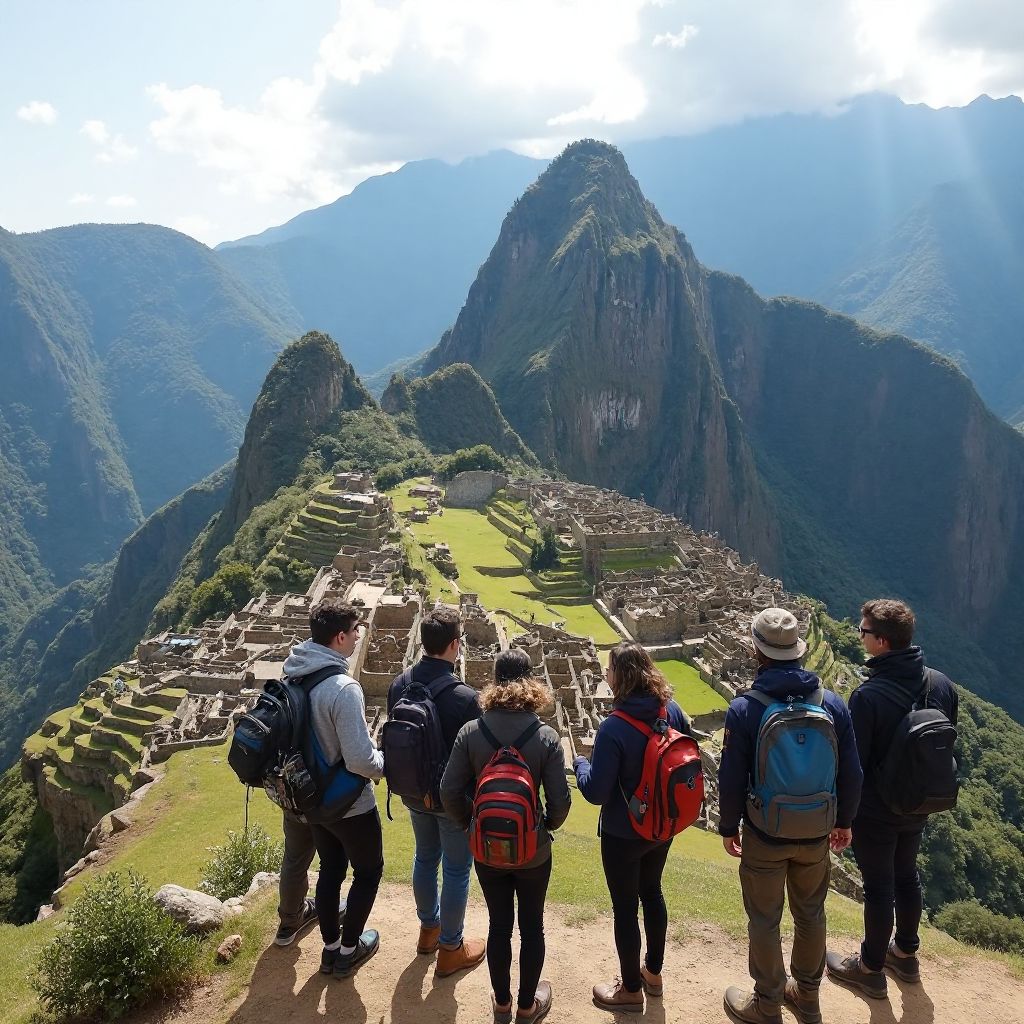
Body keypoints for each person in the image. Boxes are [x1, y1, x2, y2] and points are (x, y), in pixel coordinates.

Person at [720, 608, 863, 1024]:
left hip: (766, 831)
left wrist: (729, 826)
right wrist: (844, 821)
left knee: (765, 919)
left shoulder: (746, 709)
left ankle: (767, 1004)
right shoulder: (831, 703)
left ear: (756, 651)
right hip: (817, 830)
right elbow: (851, 772)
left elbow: (731, 778)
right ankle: (808, 995)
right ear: (800, 651)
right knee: (811, 912)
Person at [826, 599, 959, 999]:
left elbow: (854, 766)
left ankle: (868, 968)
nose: (859, 635)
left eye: (863, 631)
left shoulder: (867, 697)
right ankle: (905, 953)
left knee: (880, 886)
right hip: (921, 803)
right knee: (907, 874)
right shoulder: (940, 684)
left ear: (881, 642)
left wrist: (842, 819)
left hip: (877, 810)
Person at [440, 649, 571, 1024]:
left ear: (494, 682)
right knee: (532, 926)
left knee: (499, 926)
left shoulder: (472, 732)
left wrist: (472, 824)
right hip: (533, 851)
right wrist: (545, 828)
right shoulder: (545, 736)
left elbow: (450, 790)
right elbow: (559, 803)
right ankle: (527, 1006)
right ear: (530, 681)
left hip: (486, 850)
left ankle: (501, 1003)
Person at [573, 642, 693, 1013]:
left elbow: (596, 791)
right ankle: (653, 974)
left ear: (620, 677)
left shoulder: (614, 727)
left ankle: (629, 990)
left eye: (609, 670)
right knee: (652, 893)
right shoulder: (670, 710)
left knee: (625, 908)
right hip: (663, 825)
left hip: (624, 832)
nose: (605, 675)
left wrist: (579, 765)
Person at [280, 599, 385, 978]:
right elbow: (359, 759)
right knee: (369, 871)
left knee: (330, 870)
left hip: (308, 798)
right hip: (348, 803)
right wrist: (384, 764)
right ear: (340, 637)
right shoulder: (343, 688)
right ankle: (348, 948)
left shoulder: (293, 674)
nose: (359, 636)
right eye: (355, 630)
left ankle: (328, 948)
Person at [385, 605, 485, 975]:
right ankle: (451, 947)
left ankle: (429, 929)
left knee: (425, 858)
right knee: (457, 870)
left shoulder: (399, 684)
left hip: (412, 792)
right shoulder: (465, 698)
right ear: (455, 645)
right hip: (450, 800)